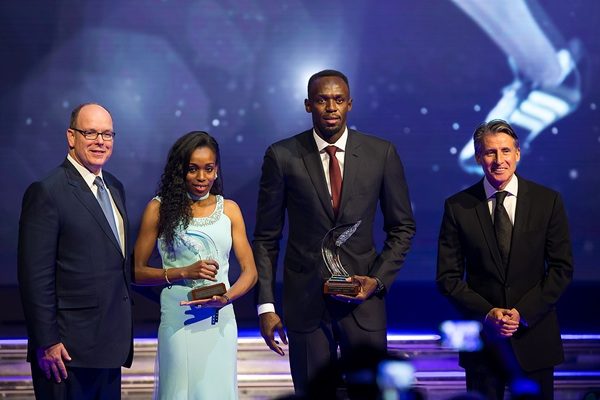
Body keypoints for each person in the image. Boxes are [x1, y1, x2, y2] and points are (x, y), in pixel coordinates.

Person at [253, 69, 416, 394]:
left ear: (350, 104)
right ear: (308, 105)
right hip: (306, 305)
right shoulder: (282, 156)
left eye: (338, 100)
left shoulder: (380, 153)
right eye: (322, 100)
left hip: (363, 302)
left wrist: (377, 280)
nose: (331, 107)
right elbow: (266, 238)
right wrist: (267, 306)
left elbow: (402, 227)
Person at [436, 119, 574, 399]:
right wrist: (489, 314)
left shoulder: (547, 201)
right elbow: (448, 278)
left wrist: (522, 313)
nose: (499, 160)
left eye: (506, 151)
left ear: (518, 153)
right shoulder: (458, 206)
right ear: (478, 158)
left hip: (535, 338)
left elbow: (561, 269)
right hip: (484, 344)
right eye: (490, 153)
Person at [17, 103, 133, 399]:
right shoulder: (47, 192)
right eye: (90, 132)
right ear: (71, 137)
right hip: (66, 354)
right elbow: (35, 277)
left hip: (110, 348)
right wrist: (47, 341)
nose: (100, 141)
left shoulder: (115, 187)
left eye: (107, 134)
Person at [133, 131, 257, 399]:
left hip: (220, 320)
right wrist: (183, 272)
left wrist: (226, 298)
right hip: (180, 320)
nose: (202, 177)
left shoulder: (230, 210)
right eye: (193, 169)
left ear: (216, 170)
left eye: (208, 169)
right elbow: (137, 271)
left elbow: (250, 272)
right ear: (181, 171)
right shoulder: (159, 209)